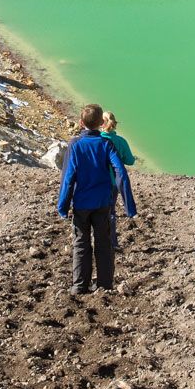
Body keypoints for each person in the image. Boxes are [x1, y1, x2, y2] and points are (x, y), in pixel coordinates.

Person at [57, 103, 136, 297]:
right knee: (104, 243)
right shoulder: (106, 144)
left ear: (81, 122)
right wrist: (129, 206)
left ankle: (79, 286)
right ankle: (104, 285)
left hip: (81, 203)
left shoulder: (75, 144)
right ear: (101, 123)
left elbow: (68, 177)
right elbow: (121, 172)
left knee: (81, 243)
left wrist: (63, 206)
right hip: (103, 203)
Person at [101, 111, 136, 251]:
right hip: (113, 182)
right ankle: (112, 242)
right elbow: (130, 161)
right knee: (110, 211)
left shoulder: (96, 140)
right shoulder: (121, 141)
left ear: (100, 123)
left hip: (96, 181)